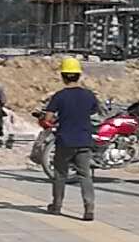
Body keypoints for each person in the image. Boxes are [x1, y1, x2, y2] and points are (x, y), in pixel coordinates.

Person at [40, 57, 99, 221]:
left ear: (63, 76)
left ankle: (57, 205)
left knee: (60, 174)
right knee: (85, 175)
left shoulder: (59, 96)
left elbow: (48, 118)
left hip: (65, 140)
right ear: (79, 75)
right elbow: (94, 111)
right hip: (84, 140)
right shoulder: (89, 95)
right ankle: (89, 208)